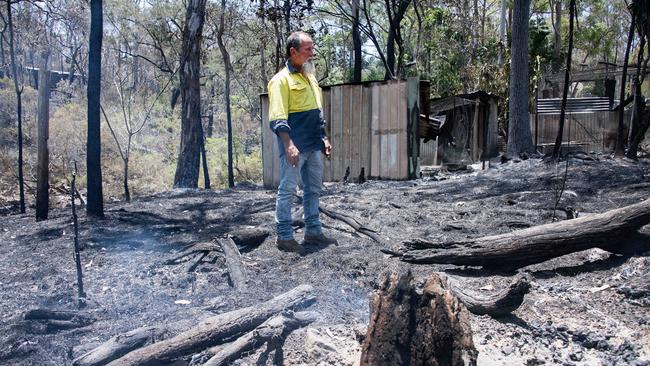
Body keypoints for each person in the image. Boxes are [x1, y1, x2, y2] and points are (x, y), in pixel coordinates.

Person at [267, 31, 337, 254]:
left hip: (314, 144)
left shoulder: (311, 78)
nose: (312, 54)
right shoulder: (280, 81)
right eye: (307, 50)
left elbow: (318, 112)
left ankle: (313, 231)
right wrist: (288, 145)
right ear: (293, 52)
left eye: (312, 49)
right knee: (288, 189)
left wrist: (324, 137)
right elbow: (278, 117)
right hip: (295, 147)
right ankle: (285, 236)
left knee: (313, 189)